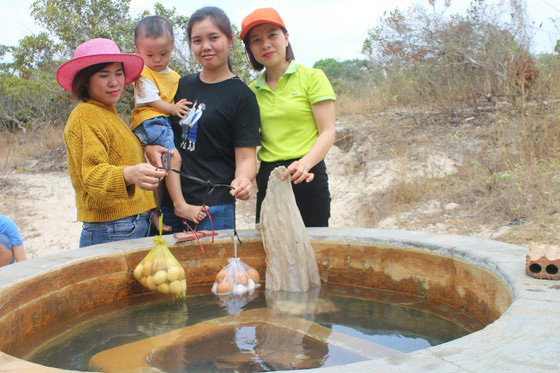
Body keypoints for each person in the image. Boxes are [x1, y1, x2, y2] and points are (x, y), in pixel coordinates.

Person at [147, 6, 260, 232]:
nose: (205, 46)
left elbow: (247, 157)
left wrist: (243, 181)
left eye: (213, 38)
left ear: (229, 39)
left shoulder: (242, 96)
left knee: (213, 268)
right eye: (197, 40)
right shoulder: (182, 84)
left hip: (213, 208)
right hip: (170, 206)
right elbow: (159, 131)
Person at [56, 38, 167, 248]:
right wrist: (128, 174)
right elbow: (92, 175)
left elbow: (120, 156)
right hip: (111, 228)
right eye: (103, 75)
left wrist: (146, 149)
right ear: (85, 80)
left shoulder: (108, 114)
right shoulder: (85, 116)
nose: (114, 82)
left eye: (118, 73)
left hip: (130, 223)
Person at [240, 8, 336, 227]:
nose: (265, 44)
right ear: (250, 49)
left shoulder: (312, 77)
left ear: (286, 37)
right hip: (270, 177)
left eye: (272, 35)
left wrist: (305, 164)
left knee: (312, 247)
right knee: (271, 247)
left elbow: (328, 131)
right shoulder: (250, 91)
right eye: (256, 40)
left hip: (308, 173)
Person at [131, 16, 207, 224]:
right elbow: (153, 101)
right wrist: (173, 109)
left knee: (159, 169)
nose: (157, 59)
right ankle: (179, 205)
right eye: (150, 54)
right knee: (174, 158)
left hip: (160, 121)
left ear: (172, 47)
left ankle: (154, 211)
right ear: (138, 51)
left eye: (163, 54)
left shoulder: (173, 76)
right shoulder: (142, 73)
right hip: (151, 120)